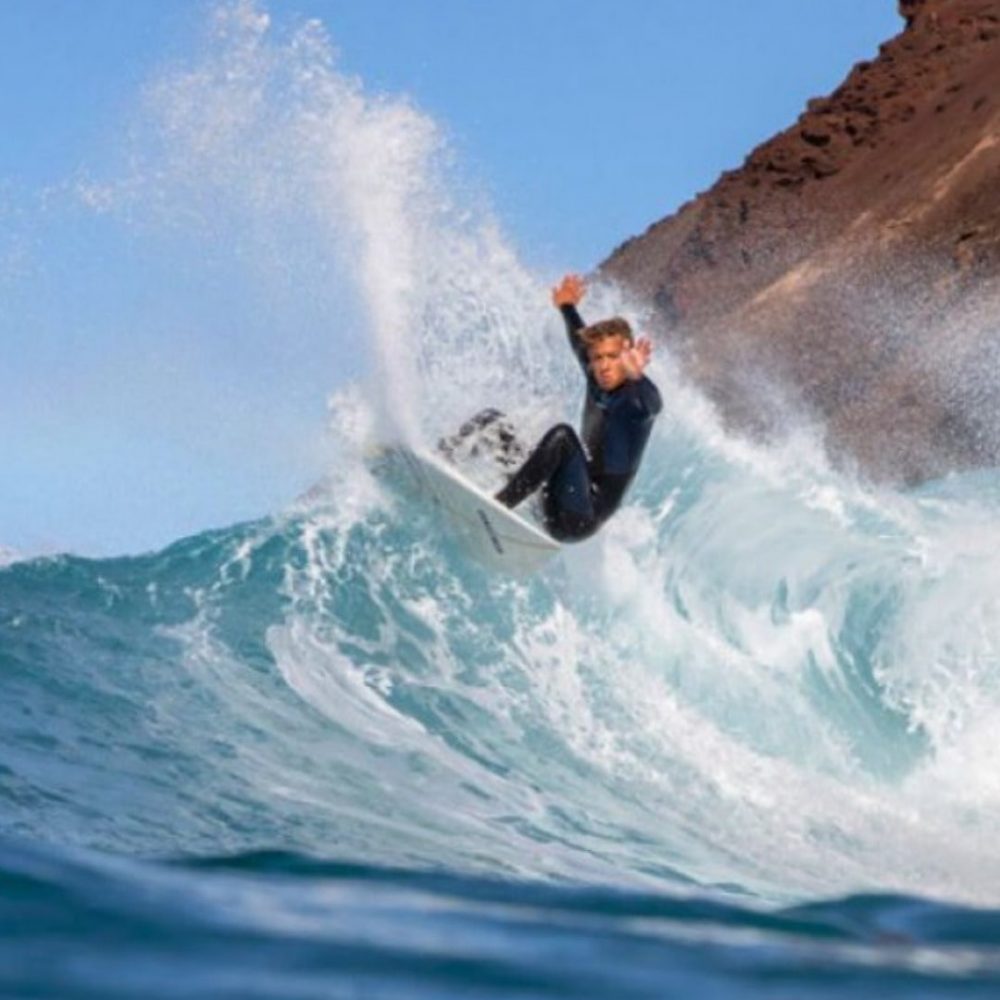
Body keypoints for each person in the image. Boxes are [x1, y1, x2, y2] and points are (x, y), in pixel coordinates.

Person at [495, 273, 662, 541]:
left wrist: (637, 376)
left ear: (627, 354)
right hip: (555, 496)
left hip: (579, 519)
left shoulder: (636, 402)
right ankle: (441, 456)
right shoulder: (597, 374)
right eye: (598, 358)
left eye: (613, 357)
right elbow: (579, 342)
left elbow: (651, 405)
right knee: (493, 423)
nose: (604, 365)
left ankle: (498, 508)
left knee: (563, 437)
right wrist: (566, 306)